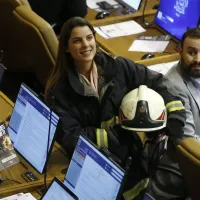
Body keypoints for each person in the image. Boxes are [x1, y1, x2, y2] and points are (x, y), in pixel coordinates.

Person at [45, 17, 186, 198]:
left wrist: (175, 113)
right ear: (66, 47)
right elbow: (70, 136)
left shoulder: (118, 66)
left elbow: (157, 82)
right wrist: (110, 137)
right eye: (77, 40)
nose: (85, 45)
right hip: (92, 167)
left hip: (131, 161)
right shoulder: (59, 90)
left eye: (89, 38)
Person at [166, 28, 200, 141]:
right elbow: (188, 140)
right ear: (180, 50)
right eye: (191, 53)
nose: (197, 59)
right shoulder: (174, 87)